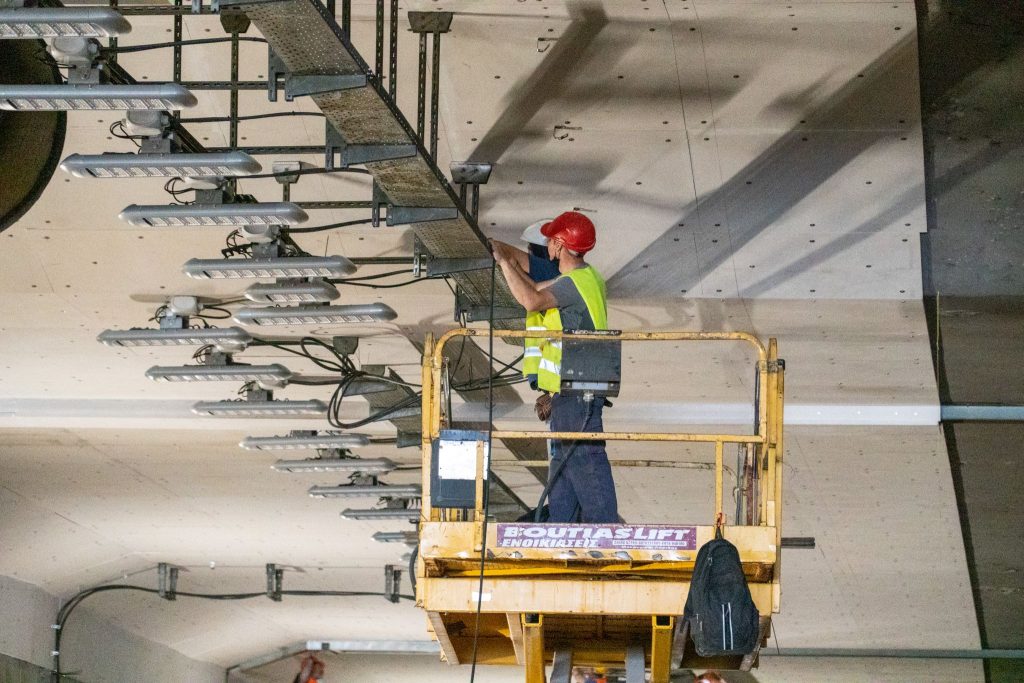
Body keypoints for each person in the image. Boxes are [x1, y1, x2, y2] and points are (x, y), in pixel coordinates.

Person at [491, 211, 618, 523]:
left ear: (560, 245)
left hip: (580, 389)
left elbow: (532, 300)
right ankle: (560, 528)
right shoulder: (584, 278)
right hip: (569, 390)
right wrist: (504, 253)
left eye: (550, 239)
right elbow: (537, 282)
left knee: (584, 458)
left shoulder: (573, 285)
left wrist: (505, 262)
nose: (546, 243)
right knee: (562, 464)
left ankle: (606, 530)